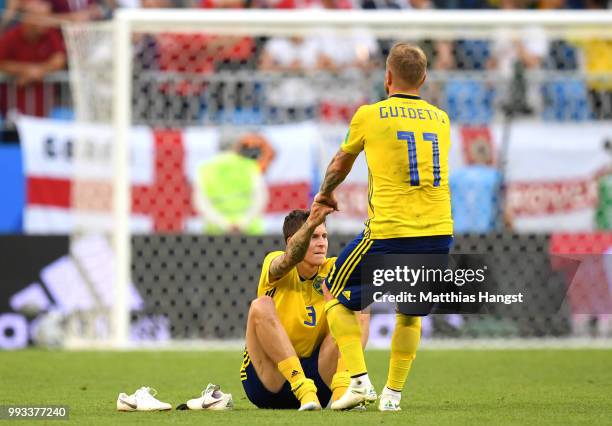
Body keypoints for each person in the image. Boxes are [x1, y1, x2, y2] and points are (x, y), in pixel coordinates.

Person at [312, 42, 453, 411]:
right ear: (423, 78)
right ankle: (392, 395)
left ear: (387, 76)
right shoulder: (441, 119)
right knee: (409, 313)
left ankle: (358, 382)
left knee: (333, 292)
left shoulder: (370, 115)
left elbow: (342, 161)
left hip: (389, 231)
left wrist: (325, 194)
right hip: (438, 232)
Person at [240, 207, 369, 410]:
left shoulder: (332, 269)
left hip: (318, 377)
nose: (322, 243)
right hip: (270, 382)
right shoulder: (276, 263)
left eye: (324, 236)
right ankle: (303, 390)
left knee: (356, 302)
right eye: (313, 236)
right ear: (292, 242)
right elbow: (283, 263)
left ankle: (343, 391)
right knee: (260, 305)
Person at [0, 0, 66, 118]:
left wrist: (37, 71)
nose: (46, 22)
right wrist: (26, 70)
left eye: (47, 17)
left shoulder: (50, 34)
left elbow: (60, 59)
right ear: (28, 18)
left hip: (44, 111)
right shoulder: (11, 36)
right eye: (41, 18)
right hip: (13, 111)